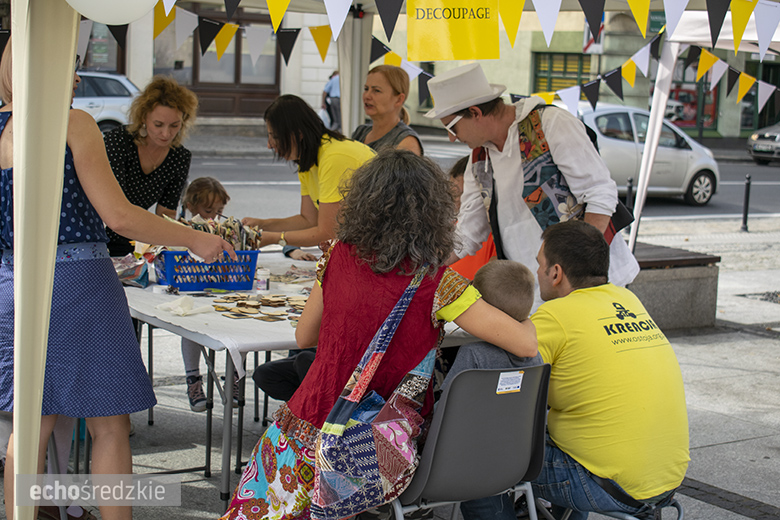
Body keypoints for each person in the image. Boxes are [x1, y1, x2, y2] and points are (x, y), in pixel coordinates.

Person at [220, 149, 538, 520]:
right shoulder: (436, 283)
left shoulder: (337, 255)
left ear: (364, 203)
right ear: (434, 214)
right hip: (379, 444)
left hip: (305, 425)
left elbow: (304, 336)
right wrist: (527, 314)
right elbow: (524, 343)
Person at [0, 44, 235, 520]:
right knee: (109, 424)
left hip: (12, 280)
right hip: (78, 280)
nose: (76, 81)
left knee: (29, 426)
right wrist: (194, 238)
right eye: (69, 69)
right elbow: (120, 216)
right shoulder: (73, 123)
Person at [461, 220, 690, 520]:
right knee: (567, 435)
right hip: (665, 481)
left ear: (556, 273)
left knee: (478, 457)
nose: (538, 273)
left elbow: (503, 393)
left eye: (540, 265)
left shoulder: (556, 316)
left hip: (604, 484)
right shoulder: (628, 300)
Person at [424, 63, 639, 309]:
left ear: (475, 112)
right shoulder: (480, 157)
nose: (452, 138)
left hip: (590, 284)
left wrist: (579, 266)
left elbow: (600, 195)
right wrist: (423, 265)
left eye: (452, 128)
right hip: (537, 294)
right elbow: (469, 231)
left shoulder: (550, 123)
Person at [241, 94, 375, 249]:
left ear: (298, 134)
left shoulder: (334, 157)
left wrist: (274, 238)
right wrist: (262, 225)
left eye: (275, 137)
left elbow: (328, 233)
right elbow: (308, 220)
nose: (270, 145)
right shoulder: (307, 161)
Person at [103, 75, 198, 257]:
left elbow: (166, 214)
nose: (166, 133)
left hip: (136, 241)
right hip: (100, 237)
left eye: (174, 125)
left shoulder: (180, 157)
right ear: (143, 117)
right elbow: (113, 208)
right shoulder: (118, 142)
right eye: (158, 124)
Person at [351, 65, 423, 155]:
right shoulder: (361, 132)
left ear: (399, 99)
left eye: (376, 90)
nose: (367, 96)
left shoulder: (406, 142)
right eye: (366, 89)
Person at [447, 155, 496, 279]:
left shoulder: (493, 233)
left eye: (463, 194)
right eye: (453, 194)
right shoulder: (448, 226)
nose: (456, 200)